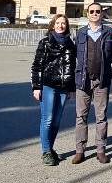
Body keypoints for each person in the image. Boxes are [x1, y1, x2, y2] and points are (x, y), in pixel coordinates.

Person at [73, 2, 112, 164]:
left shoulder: (109, 32)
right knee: (81, 117)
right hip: (83, 80)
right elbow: (75, 55)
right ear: (87, 14)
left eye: (97, 11)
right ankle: (80, 150)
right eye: (91, 11)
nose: (94, 14)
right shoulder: (81, 33)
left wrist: (103, 67)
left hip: (102, 80)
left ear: (102, 14)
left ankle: (100, 150)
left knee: (101, 117)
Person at [31, 14, 77, 166]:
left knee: (56, 121)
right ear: (52, 25)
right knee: (48, 119)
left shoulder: (70, 44)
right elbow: (37, 66)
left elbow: (71, 67)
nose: (61, 26)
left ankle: (50, 149)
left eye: (63, 23)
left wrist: (71, 88)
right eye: (58, 23)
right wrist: (36, 87)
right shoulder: (45, 42)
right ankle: (45, 151)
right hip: (48, 85)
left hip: (63, 87)